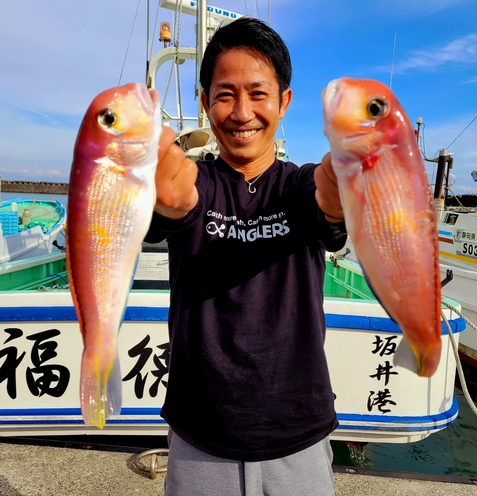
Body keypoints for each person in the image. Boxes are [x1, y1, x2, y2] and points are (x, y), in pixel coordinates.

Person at [145, 16, 346, 496]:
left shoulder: (300, 184)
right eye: (225, 94)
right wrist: (161, 200)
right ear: (204, 103)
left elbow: (324, 208)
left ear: (284, 102)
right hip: (201, 437)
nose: (241, 112)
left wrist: (342, 186)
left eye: (258, 93)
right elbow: (176, 208)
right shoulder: (195, 184)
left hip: (299, 437)